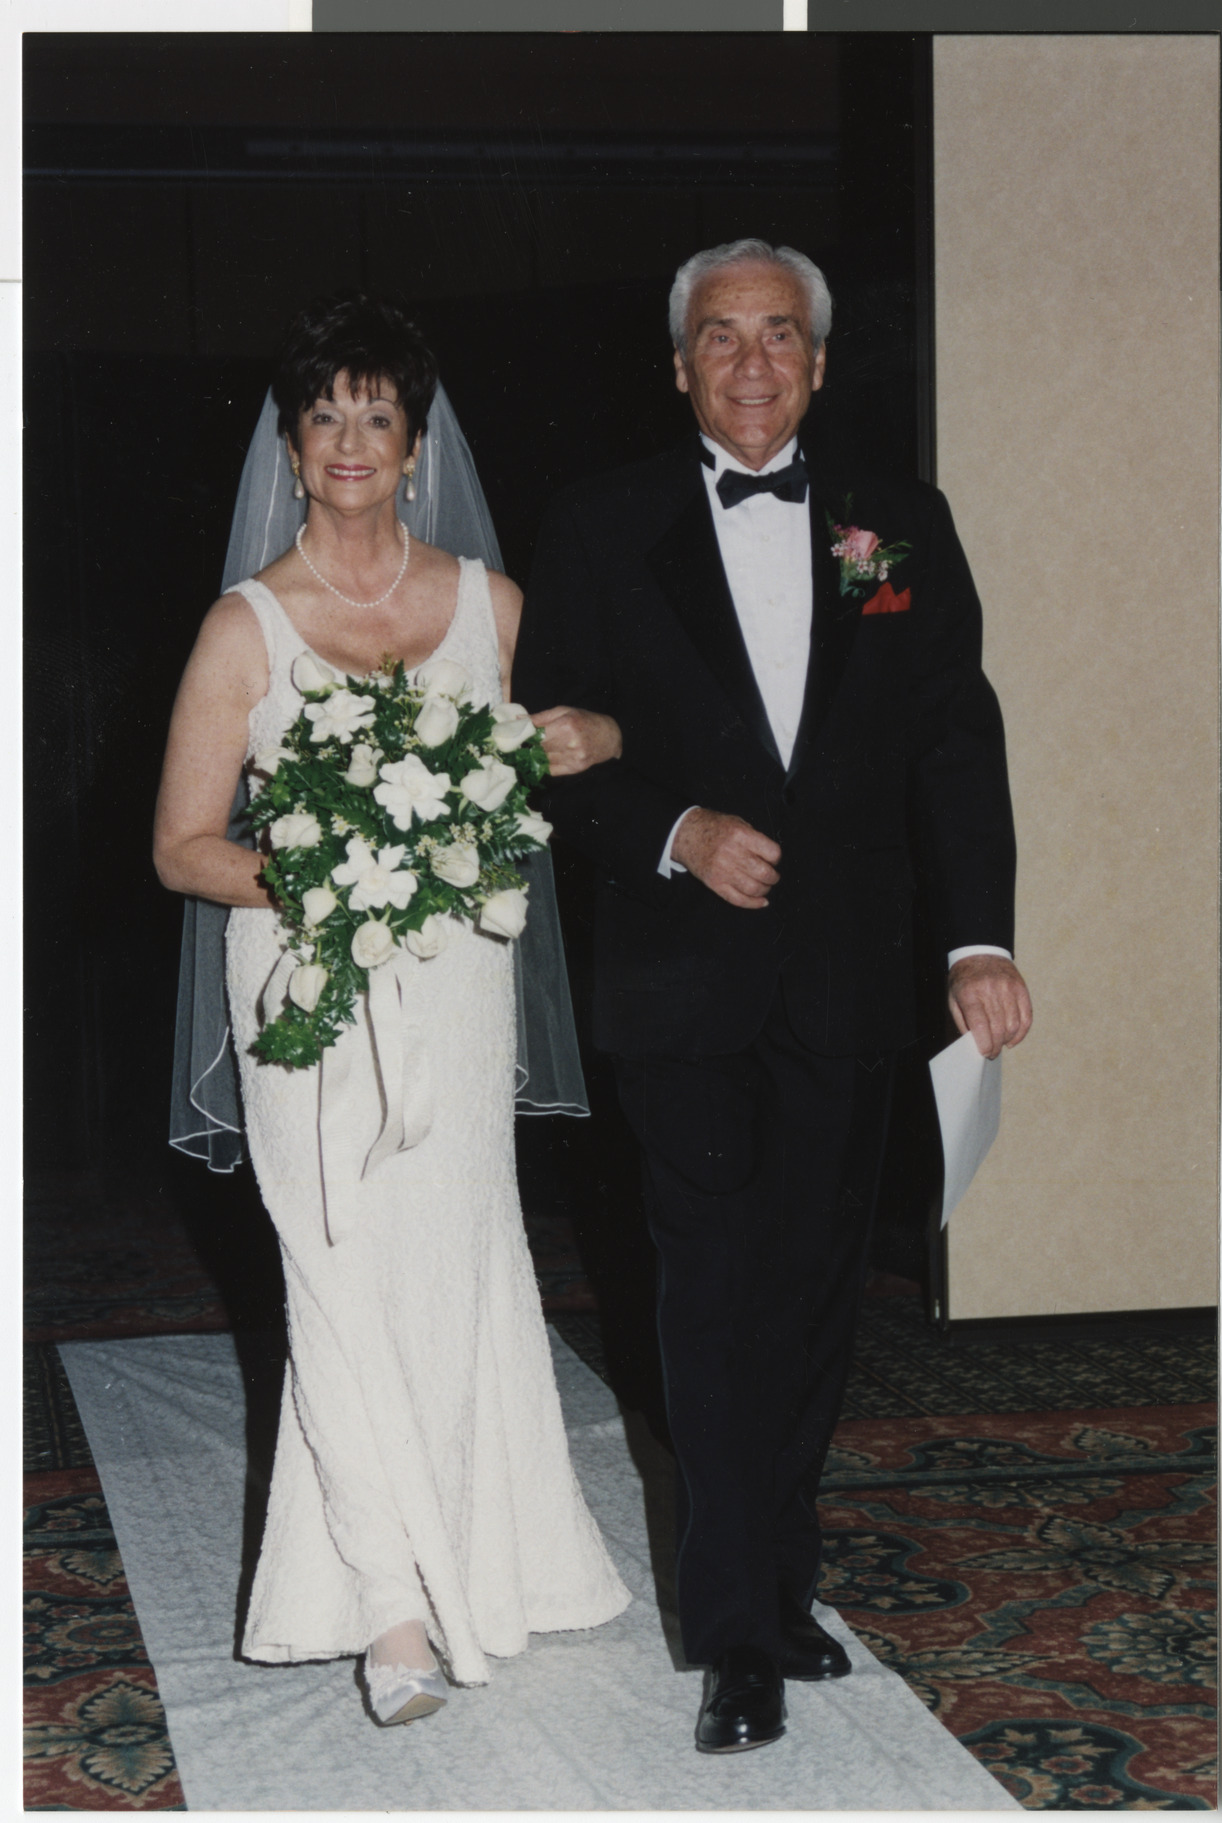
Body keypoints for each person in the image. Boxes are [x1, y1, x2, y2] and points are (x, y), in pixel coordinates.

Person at [512, 238, 1033, 1755]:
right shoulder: (602, 525)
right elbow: (548, 753)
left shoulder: (895, 523)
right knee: (712, 1291)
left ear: (817, 360)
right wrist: (671, 831)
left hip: (852, 979)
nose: (751, 362)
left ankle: (777, 1583)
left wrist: (974, 941)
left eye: (780, 335)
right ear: (677, 367)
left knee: (814, 1295)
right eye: (721, 337)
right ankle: (735, 1629)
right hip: (678, 984)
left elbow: (955, 745)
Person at [153, 293, 630, 1729]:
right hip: (303, 987)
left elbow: (604, 725)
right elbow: (182, 844)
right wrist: (317, 883)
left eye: (378, 415)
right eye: (325, 416)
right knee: (335, 1271)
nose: (350, 441)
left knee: (457, 1260)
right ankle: (388, 1609)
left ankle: (495, 1552)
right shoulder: (246, 628)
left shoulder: (489, 607)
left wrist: (587, 734)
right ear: (292, 449)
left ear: (415, 445)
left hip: (458, 992)